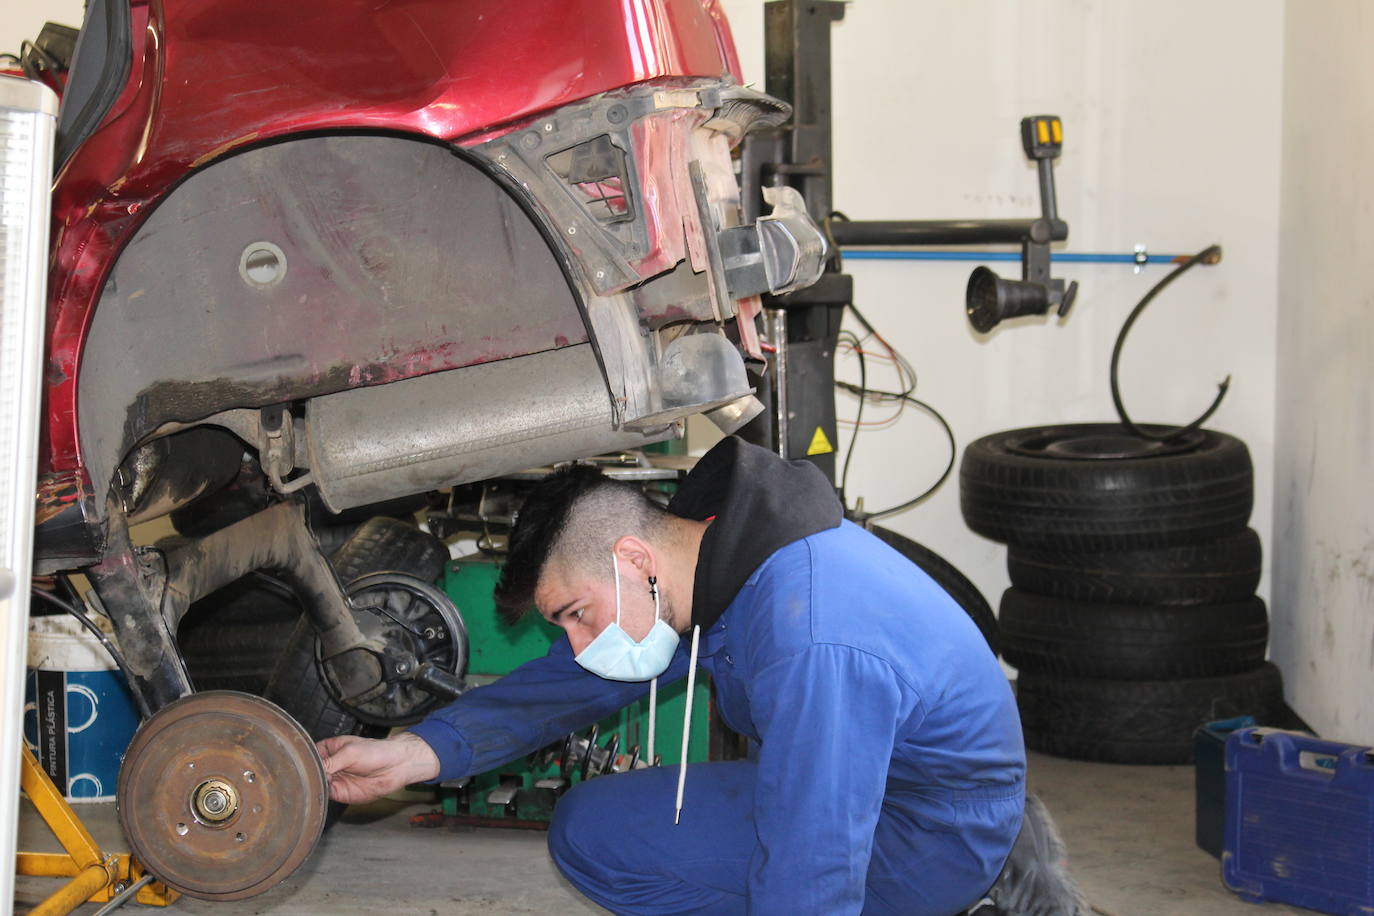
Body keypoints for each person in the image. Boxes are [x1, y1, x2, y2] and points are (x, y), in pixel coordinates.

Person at [319, 436, 1026, 915]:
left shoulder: (807, 632)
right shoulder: (717, 563)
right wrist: (415, 753)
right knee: (594, 832)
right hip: (867, 789)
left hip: (927, 835)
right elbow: (569, 684)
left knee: (794, 871)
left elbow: (816, 857)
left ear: (632, 561)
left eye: (575, 614)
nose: (577, 642)